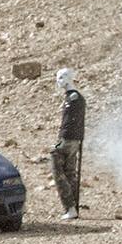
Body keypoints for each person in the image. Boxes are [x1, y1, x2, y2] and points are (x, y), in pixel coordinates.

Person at [51, 68, 86, 220]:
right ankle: (73, 208)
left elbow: (70, 122)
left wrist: (61, 141)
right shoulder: (74, 97)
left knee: (58, 171)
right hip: (74, 139)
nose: (58, 81)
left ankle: (70, 207)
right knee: (70, 172)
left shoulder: (73, 98)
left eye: (60, 77)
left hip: (68, 139)